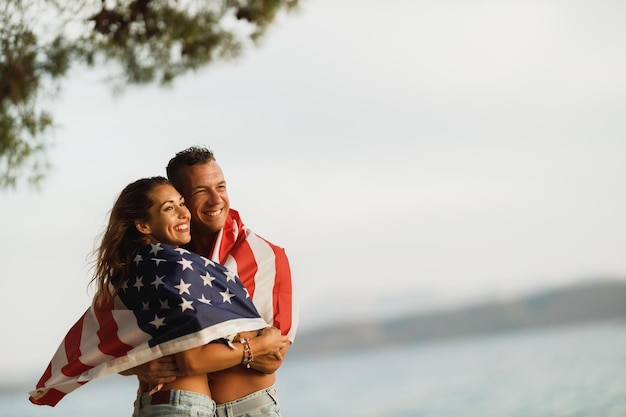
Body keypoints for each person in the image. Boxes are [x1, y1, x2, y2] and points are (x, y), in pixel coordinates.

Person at [29, 177, 289, 416]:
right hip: (182, 405)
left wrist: (133, 365)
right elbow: (191, 360)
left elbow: (136, 343)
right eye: (169, 208)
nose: (183, 212)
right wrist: (258, 346)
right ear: (143, 225)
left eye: (181, 203)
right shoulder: (168, 268)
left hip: (183, 403)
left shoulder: (143, 266)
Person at [132, 146, 299, 417]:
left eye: (220, 187)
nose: (216, 200)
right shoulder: (156, 263)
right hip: (176, 406)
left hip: (248, 408)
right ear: (180, 199)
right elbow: (120, 340)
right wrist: (137, 364)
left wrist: (179, 349)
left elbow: (271, 359)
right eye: (200, 191)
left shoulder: (264, 257)